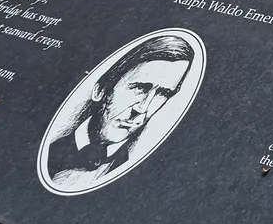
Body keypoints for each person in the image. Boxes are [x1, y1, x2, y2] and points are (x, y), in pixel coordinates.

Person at [45, 33, 195, 192]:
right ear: (101, 90)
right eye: (139, 88)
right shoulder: (50, 150)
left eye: (162, 94)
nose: (142, 109)